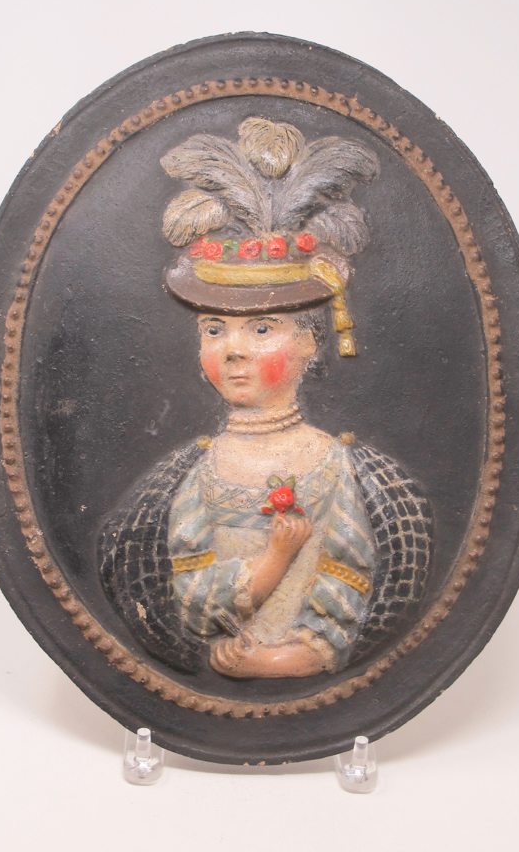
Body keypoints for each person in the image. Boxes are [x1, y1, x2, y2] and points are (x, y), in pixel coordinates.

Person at [98, 117, 431, 678]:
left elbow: (349, 572)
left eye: (261, 330)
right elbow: (191, 588)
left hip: (301, 653)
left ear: (309, 343)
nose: (233, 350)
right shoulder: (194, 475)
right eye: (213, 330)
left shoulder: (333, 466)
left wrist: (299, 654)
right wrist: (271, 564)